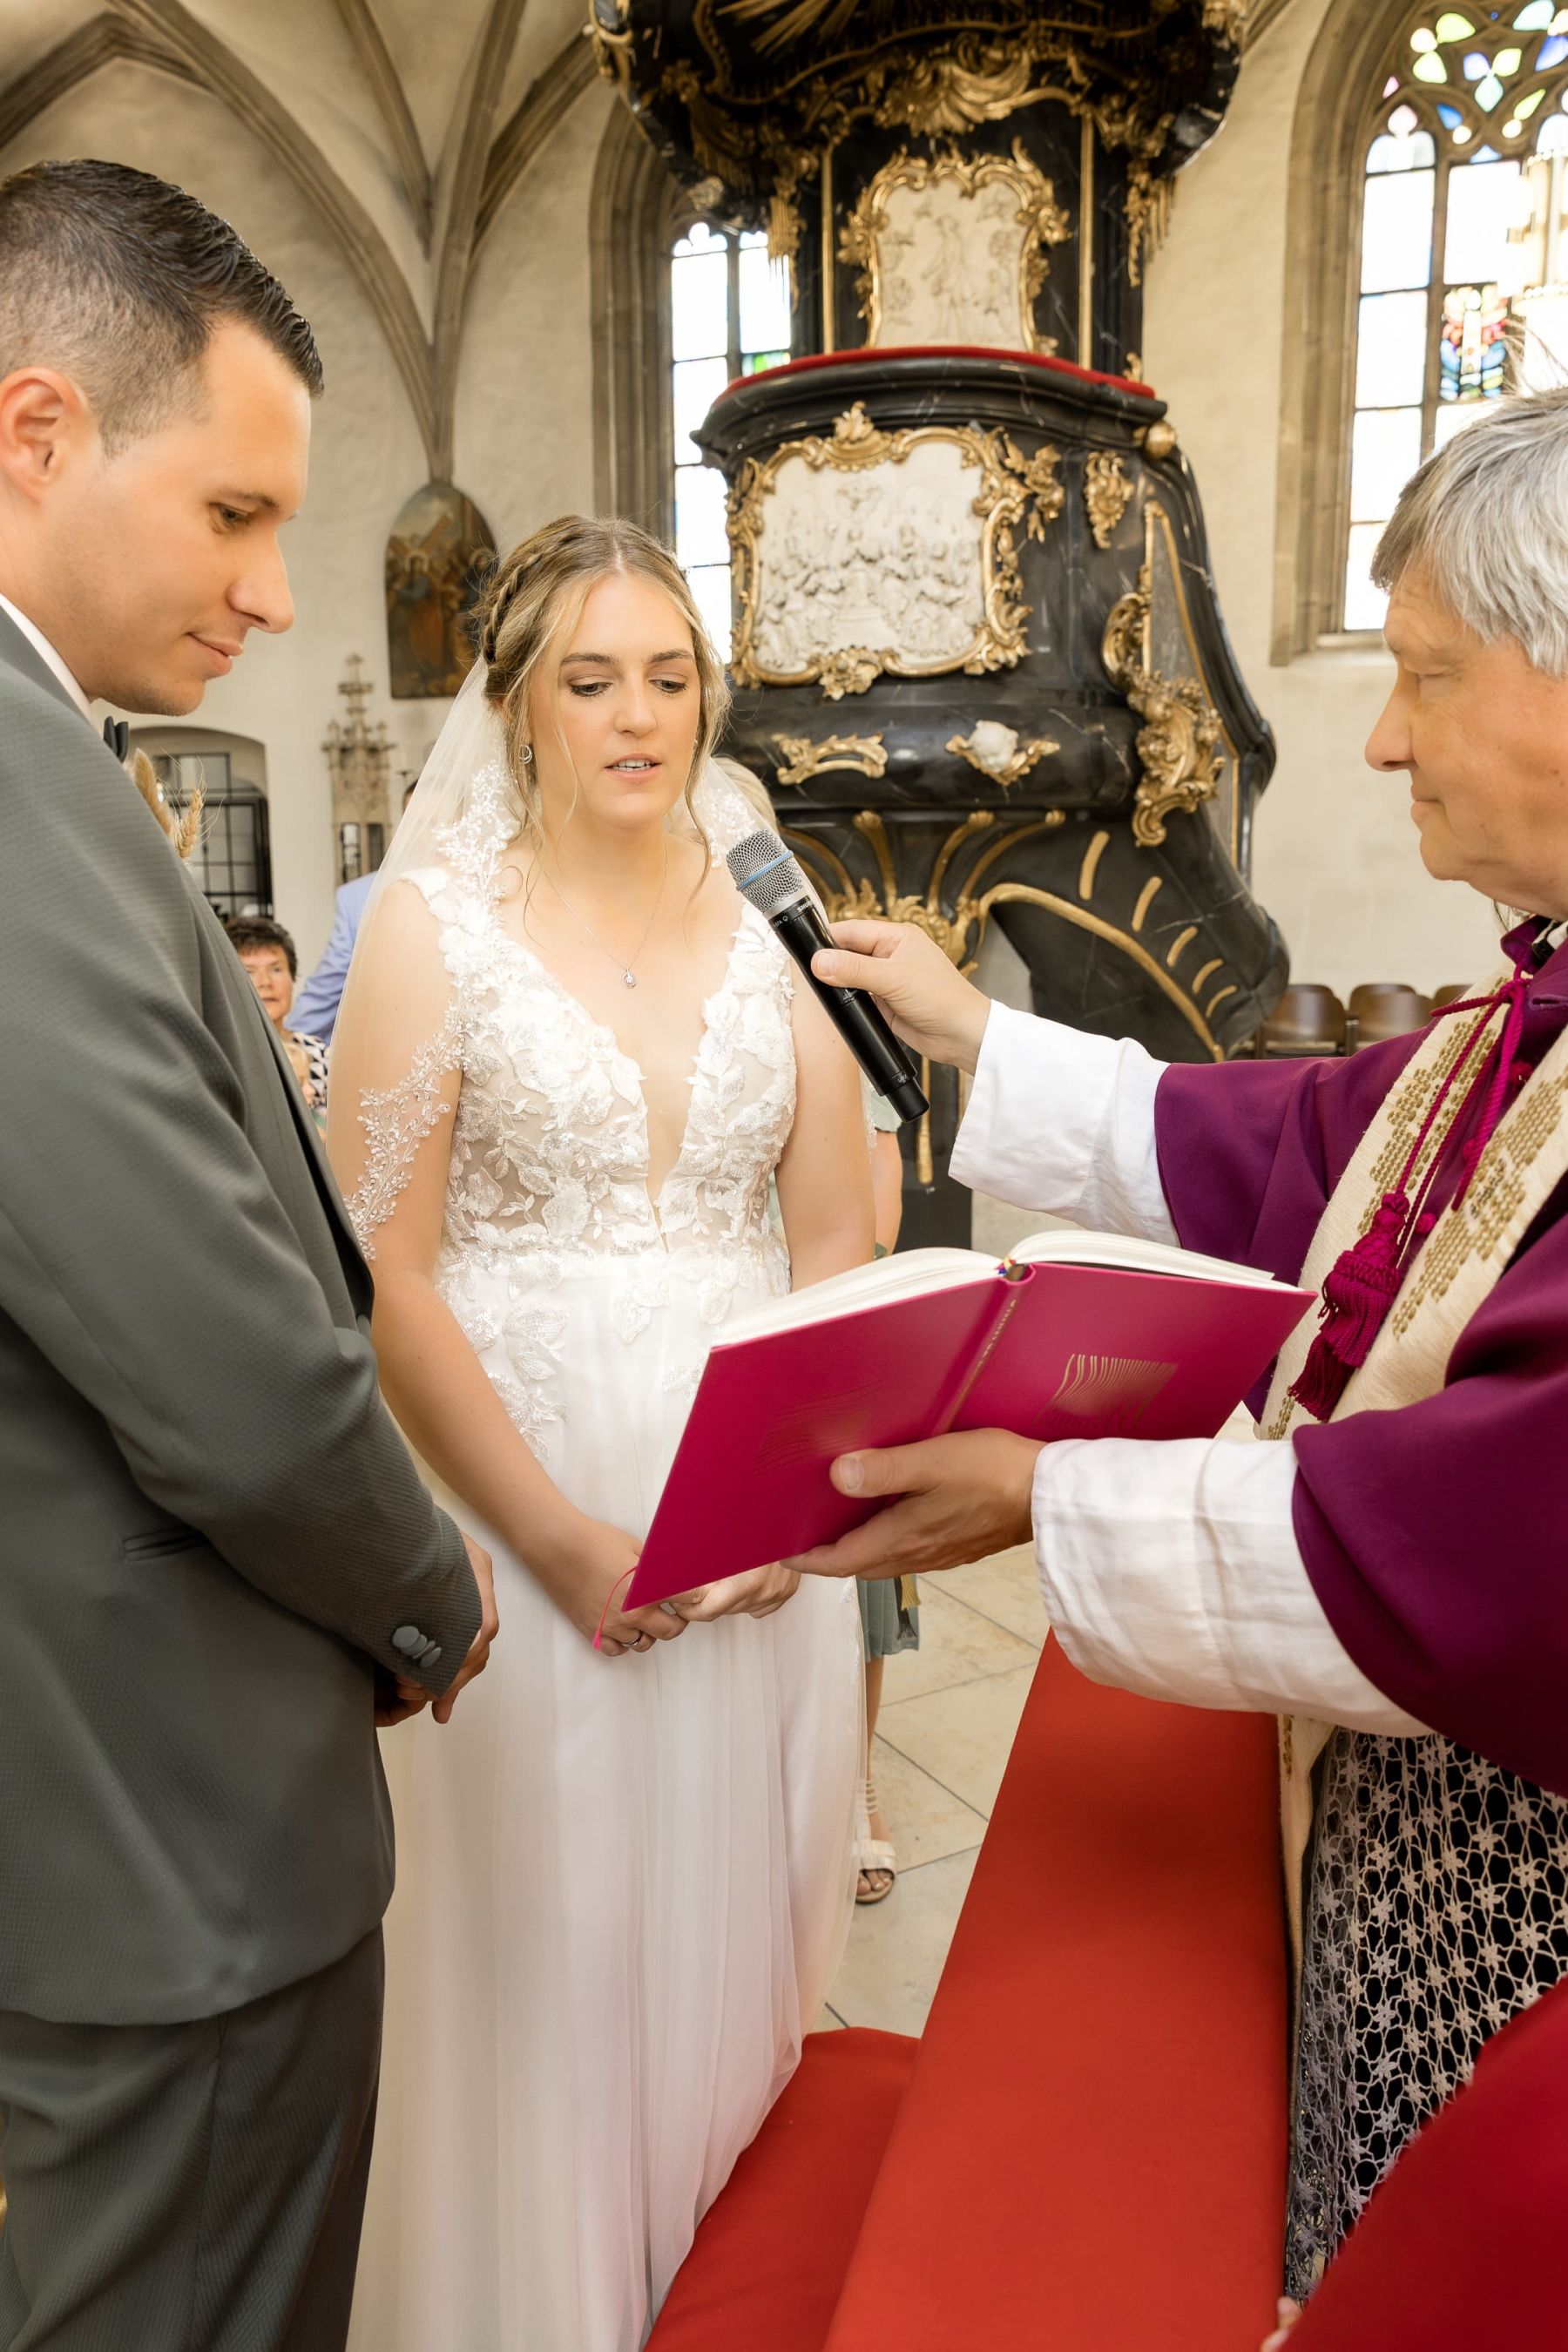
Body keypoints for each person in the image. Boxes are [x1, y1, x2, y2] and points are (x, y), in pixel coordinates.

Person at [786, 389, 1568, 2298]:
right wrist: (967, 1031)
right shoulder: (1524, 1016)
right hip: (1391, 1835)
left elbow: (1496, 1532)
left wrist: (1046, 1499)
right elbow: (1292, 1144)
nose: (1382, 737)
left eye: (1427, 676)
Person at [0, 157, 496, 2351]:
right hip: (158, 1827)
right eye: (232, 513)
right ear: (38, 433)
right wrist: (422, 1584)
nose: (278, 594)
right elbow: (217, 1360)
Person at [328, 515, 868, 2351]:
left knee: (736, 1945)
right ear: (518, 706)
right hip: (526, 1517)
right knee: (551, 1968)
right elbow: (389, 1278)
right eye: (590, 679)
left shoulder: (776, 921)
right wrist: (559, 1544)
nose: (639, 716)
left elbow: (837, 1236)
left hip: (752, 1535)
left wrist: (790, 1498)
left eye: (669, 676)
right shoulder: (434, 932)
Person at [294, 778, 419, 1041]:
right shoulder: (358, 898)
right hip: (393, 1043)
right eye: (415, 822)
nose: (425, 832)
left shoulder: (498, 890)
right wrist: (286, 1044)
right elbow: (328, 987)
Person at [229, 911, 330, 1123]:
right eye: (249, 972)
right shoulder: (226, 1057)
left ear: (293, 977)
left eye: (276, 969)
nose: (265, 982)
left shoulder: (320, 1054)